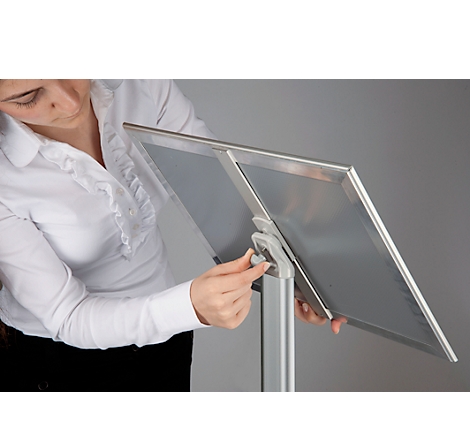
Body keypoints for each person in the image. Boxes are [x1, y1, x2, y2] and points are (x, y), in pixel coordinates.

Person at [0, 79, 344, 392]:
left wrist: (288, 275)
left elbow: (214, 185)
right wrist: (190, 307)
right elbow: (69, 315)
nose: (71, 102)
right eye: (28, 97)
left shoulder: (139, 82)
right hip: (59, 364)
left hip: (167, 338)